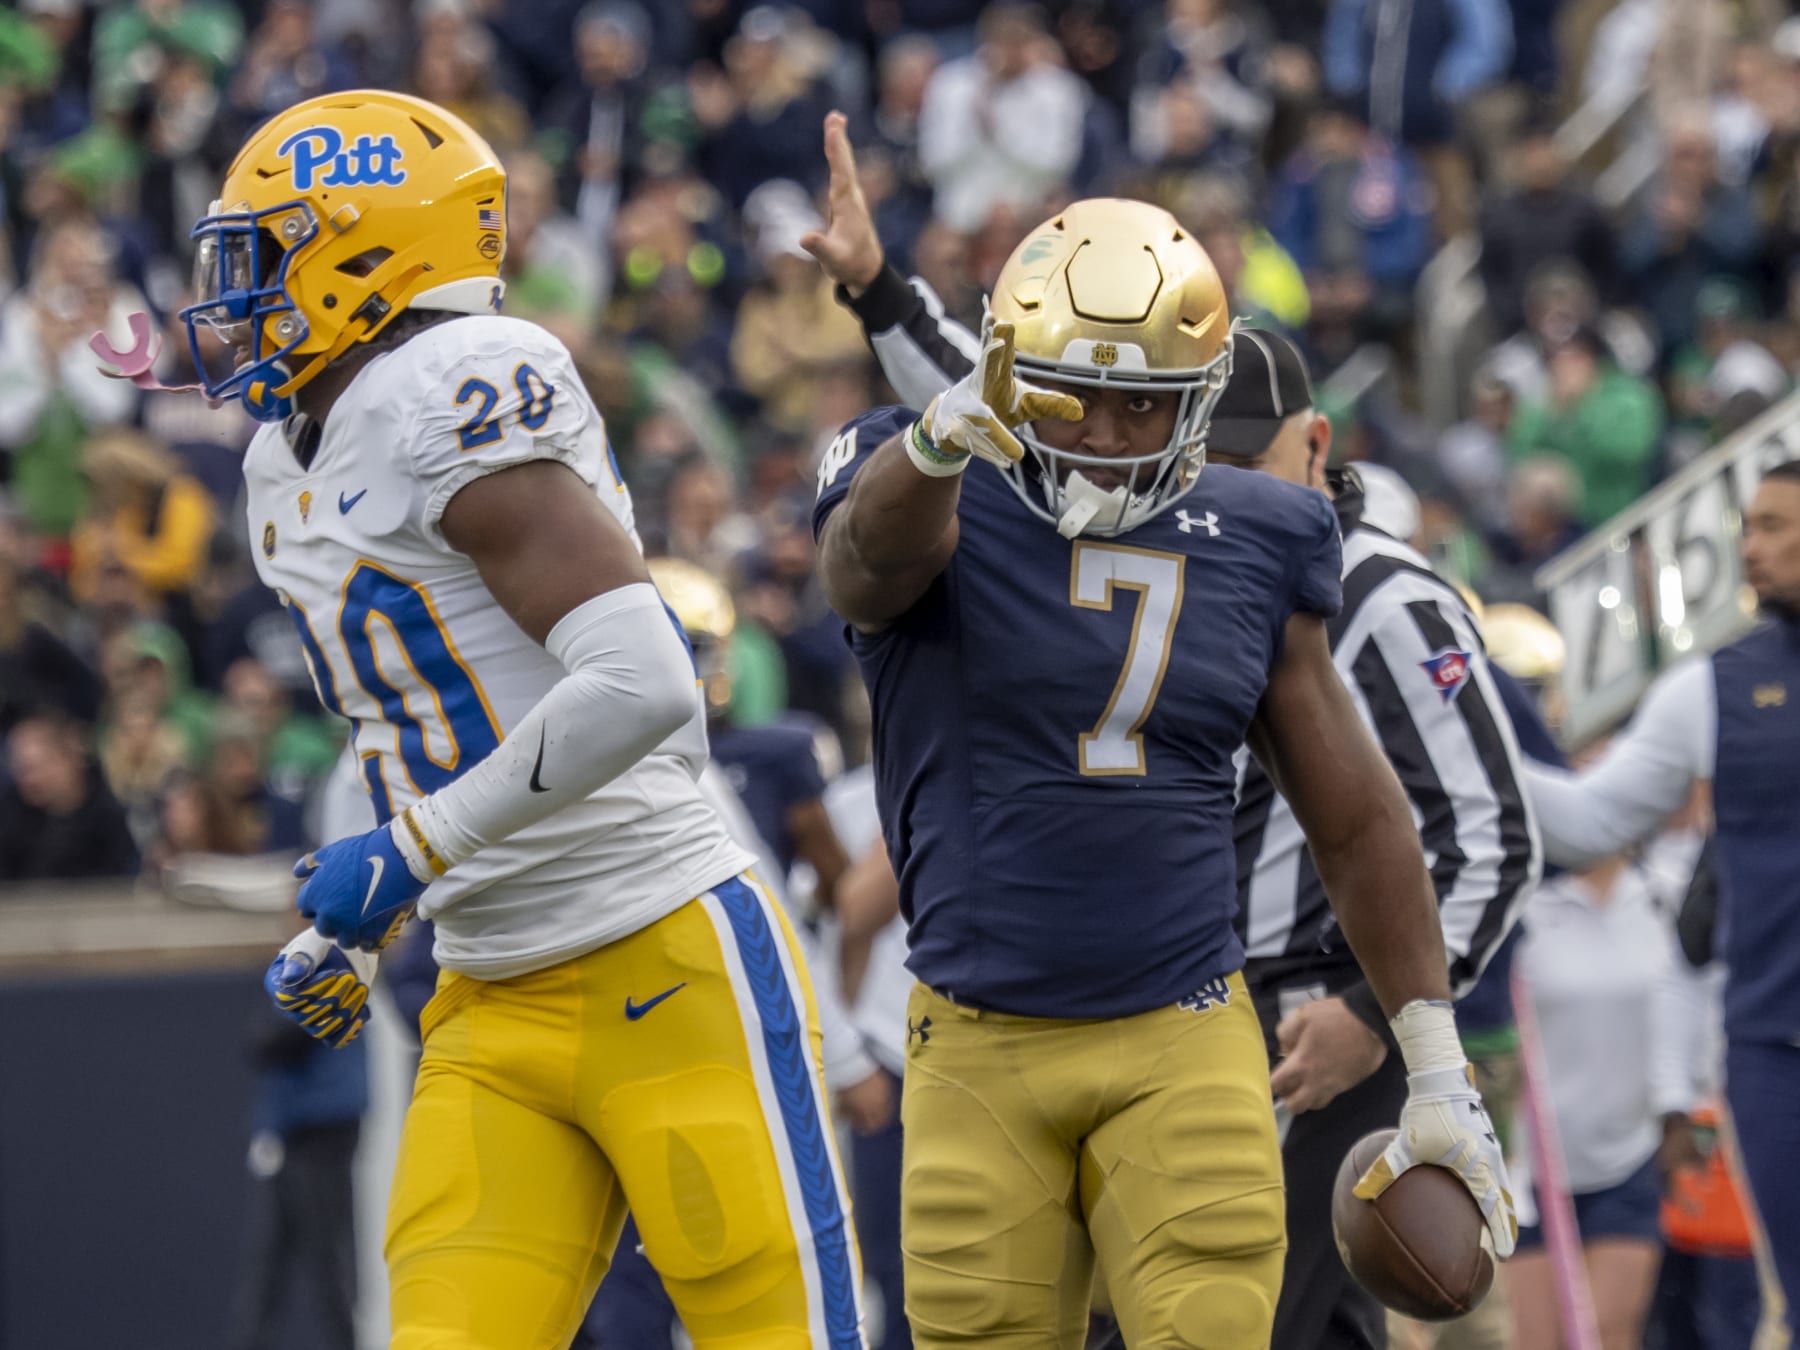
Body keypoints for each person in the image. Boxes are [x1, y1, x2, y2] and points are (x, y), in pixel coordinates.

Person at [132, 90, 862, 1349]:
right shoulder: (276, 465)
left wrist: (404, 860)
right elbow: (426, 726)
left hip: (663, 957)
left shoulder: (462, 380)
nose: (234, 300)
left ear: (367, 252)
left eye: (264, 260)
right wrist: (365, 934)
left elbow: (642, 682)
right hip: (488, 989)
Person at [805, 113, 1537, 1350]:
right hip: (978, 1039)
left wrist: (1432, 1058)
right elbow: (860, 572)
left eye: (1143, 407)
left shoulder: (1262, 531)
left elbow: (1355, 814)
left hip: (1184, 1033)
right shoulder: (923, 477)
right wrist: (933, 440)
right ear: (1008, 379)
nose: (1105, 434)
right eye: (1076, 397)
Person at [1523, 459, 1800, 1341]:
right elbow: (1585, 822)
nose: (1752, 548)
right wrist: (1465, 723)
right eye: (1748, 526)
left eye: (1776, 527)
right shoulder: (1712, 688)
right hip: (1774, 1047)